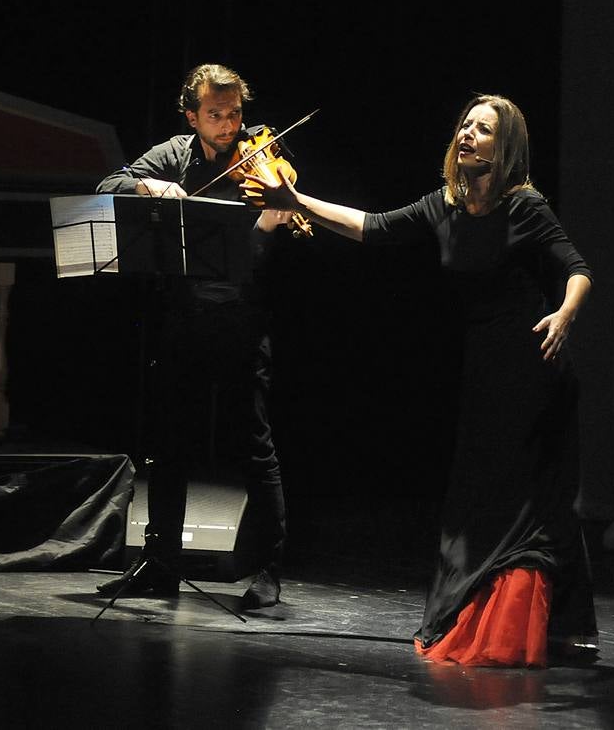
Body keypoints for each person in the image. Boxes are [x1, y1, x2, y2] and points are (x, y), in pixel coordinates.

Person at [254, 93, 596, 666]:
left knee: (517, 502)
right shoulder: (446, 205)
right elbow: (372, 227)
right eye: (465, 125)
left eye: (483, 129)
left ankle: (519, 628)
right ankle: (518, 620)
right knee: (483, 497)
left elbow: (578, 269)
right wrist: (297, 202)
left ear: (505, 147)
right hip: (485, 369)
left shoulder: (524, 206)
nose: (468, 134)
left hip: (534, 367)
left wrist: (564, 314)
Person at [94, 63, 291, 609]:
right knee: (169, 445)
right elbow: (108, 185)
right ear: (192, 116)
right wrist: (148, 184)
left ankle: (268, 567)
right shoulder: (174, 155)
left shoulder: (262, 158)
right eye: (216, 114)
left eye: (235, 114)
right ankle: (161, 564)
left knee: (253, 446)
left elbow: (260, 250)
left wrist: (275, 215)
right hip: (183, 319)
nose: (229, 126)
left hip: (241, 320)